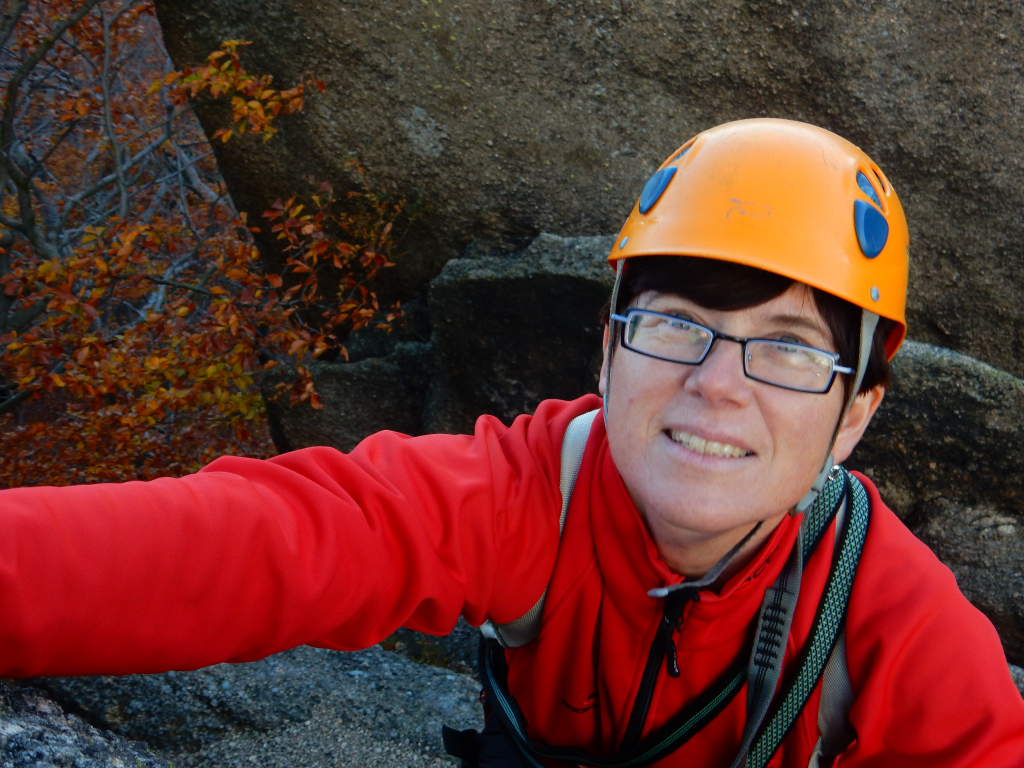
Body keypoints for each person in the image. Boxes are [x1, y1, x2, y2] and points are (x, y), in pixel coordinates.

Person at [1, 119, 1022, 767]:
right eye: (674, 325)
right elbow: (256, 543)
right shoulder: (534, 498)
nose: (716, 386)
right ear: (608, 353)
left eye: (789, 352)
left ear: (854, 415)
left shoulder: (898, 635)